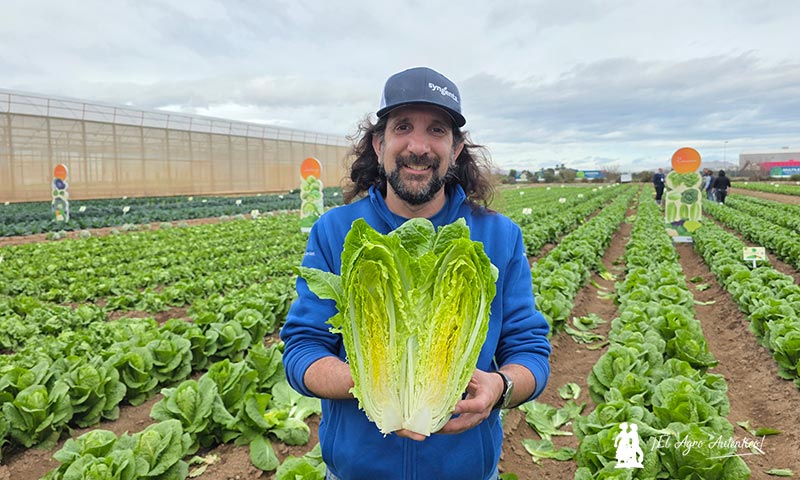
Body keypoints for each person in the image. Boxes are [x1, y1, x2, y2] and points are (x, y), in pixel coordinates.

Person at [280, 67, 551, 480]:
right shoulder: (335, 231)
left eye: (437, 130)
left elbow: (530, 349)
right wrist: (373, 382)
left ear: (456, 147)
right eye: (403, 126)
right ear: (379, 142)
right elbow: (302, 350)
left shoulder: (499, 235)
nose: (419, 146)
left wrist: (500, 388)